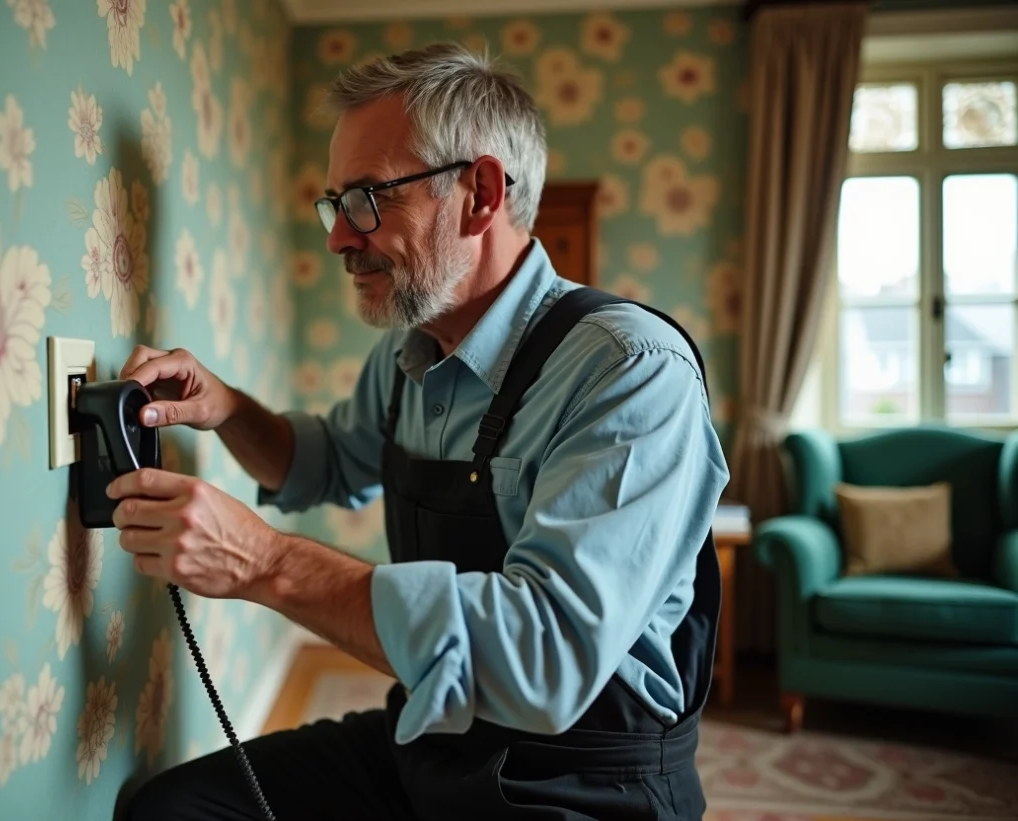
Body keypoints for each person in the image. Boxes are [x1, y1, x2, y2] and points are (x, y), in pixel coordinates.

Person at [117, 42, 729, 821]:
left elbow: (546, 656)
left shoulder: (631, 373)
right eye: (335, 202)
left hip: (583, 782)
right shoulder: (407, 353)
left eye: (369, 197)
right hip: (437, 734)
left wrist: (267, 562)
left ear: (480, 193)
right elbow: (328, 462)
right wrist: (230, 407)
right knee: (173, 810)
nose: (339, 236)